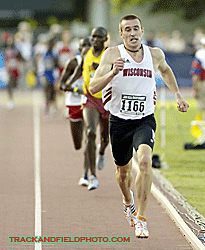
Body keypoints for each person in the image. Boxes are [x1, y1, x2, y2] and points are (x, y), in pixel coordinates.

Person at [89, 14, 189, 238]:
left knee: (144, 161)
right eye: (128, 30)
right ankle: (127, 201)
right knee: (123, 174)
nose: (133, 33)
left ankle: (141, 219)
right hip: (119, 121)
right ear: (121, 33)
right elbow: (93, 86)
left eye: (136, 29)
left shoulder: (155, 54)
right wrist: (113, 73)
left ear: (142, 31)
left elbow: (165, 70)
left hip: (144, 119)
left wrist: (178, 95)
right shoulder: (112, 54)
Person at [80, 27, 110, 190]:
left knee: (105, 137)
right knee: (91, 132)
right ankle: (92, 176)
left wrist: (100, 67)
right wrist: (68, 82)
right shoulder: (86, 52)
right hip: (90, 98)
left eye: (99, 37)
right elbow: (80, 68)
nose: (95, 40)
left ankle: (101, 152)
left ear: (105, 39)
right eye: (93, 37)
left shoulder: (110, 54)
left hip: (106, 99)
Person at [59, 37, 91, 151]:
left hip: (90, 102)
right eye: (84, 45)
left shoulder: (99, 62)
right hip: (74, 102)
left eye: (89, 45)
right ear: (80, 48)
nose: (87, 48)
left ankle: (92, 157)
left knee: (90, 136)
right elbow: (61, 85)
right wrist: (72, 88)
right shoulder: (73, 63)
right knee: (77, 145)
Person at [4, 34, 24, 109]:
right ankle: (10, 100)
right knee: (9, 84)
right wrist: (6, 68)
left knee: (15, 84)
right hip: (10, 69)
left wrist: (19, 67)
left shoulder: (17, 50)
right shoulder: (7, 50)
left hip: (16, 69)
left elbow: (20, 59)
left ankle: (16, 89)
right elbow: (6, 60)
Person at [190, 37, 205, 120]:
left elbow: (196, 74)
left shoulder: (200, 54)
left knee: (203, 107)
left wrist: (195, 88)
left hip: (202, 82)